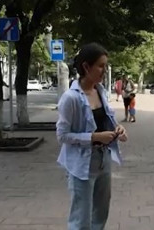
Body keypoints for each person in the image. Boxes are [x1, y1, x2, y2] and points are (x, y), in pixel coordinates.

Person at [56, 42, 128, 230]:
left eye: (106, 66)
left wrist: (118, 128)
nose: (104, 70)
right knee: (81, 219)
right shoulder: (70, 98)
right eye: (101, 66)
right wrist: (94, 137)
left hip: (103, 160)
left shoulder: (100, 91)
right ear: (86, 67)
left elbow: (108, 119)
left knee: (100, 214)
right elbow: (62, 136)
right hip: (81, 165)